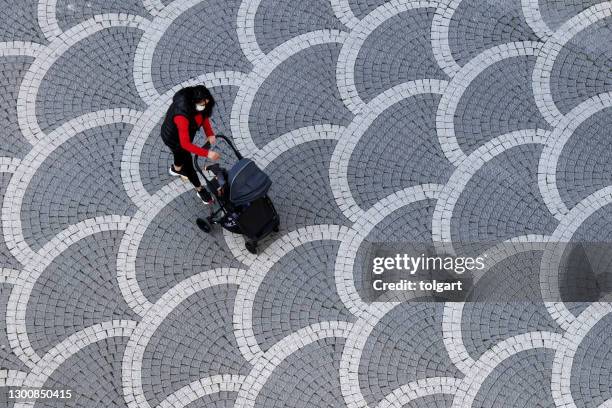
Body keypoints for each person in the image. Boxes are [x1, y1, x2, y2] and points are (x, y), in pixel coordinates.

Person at [160, 85, 221, 204]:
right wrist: (207, 153)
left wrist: (209, 133)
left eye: (206, 103)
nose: (204, 106)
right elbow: (185, 144)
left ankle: (176, 169)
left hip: (184, 135)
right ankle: (200, 190)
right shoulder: (181, 116)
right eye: (202, 104)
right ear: (193, 103)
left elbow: (204, 116)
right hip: (173, 138)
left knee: (179, 155)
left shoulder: (199, 105)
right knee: (187, 162)